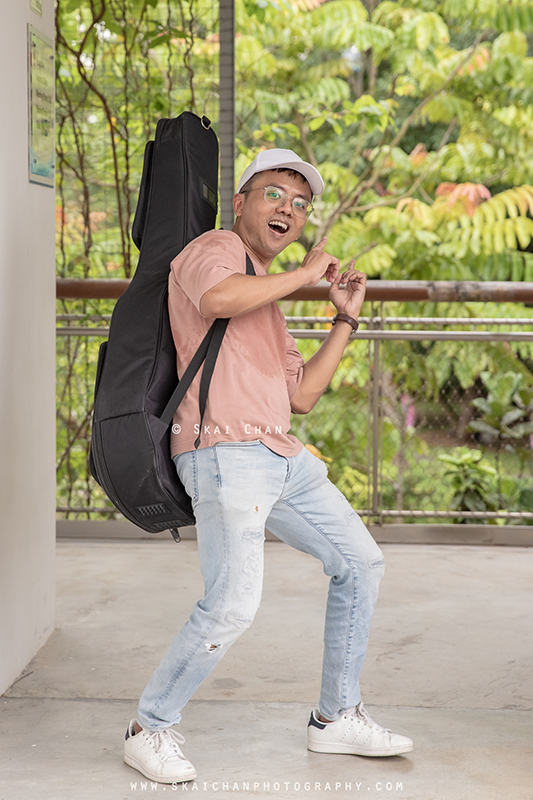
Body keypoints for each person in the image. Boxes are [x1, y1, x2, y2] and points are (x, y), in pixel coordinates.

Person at [123, 149, 414, 784]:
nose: (289, 209)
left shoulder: (273, 299)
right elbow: (221, 298)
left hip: (281, 455)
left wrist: (343, 317)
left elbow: (303, 395)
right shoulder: (215, 248)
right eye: (274, 195)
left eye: (301, 203)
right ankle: (150, 727)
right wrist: (307, 273)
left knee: (360, 563)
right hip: (224, 454)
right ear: (241, 202)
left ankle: (336, 718)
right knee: (231, 604)